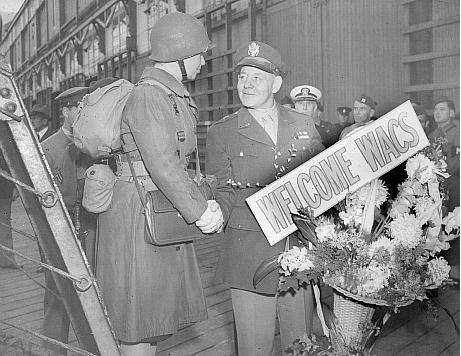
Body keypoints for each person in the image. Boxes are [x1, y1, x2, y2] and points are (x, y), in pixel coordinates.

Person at [95, 12, 223, 356]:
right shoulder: (151, 96)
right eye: (200, 54)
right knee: (139, 322)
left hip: (154, 205)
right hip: (141, 213)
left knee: (150, 318)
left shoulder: (165, 94)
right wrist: (199, 211)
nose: (203, 62)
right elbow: (163, 165)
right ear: (181, 56)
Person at [206, 41, 324, 355]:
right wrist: (214, 211)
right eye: (242, 76)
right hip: (250, 255)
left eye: (257, 77)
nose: (247, 83)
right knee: (254, 347)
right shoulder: (223, 132)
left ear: (276, 83)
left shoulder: (303, 124)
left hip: (299, 252)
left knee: (300, 344)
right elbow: (222, 190)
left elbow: (321, 181)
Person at [40, 85, 90, 354]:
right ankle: (53, 350)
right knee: (58, 294)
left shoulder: (96, 144)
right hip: (59, 228)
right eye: (79, 107)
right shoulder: (47, 149)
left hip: (92, 228)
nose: (85, 112)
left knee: (94, 294)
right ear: (65, 111)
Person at [428, 96, 459, 280]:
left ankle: (455, 271)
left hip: (454, 186)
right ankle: (439, 271)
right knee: (437, 229)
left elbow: (457, 162)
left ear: (452, 113)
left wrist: (440, 168)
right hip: (436, 188)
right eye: (436, 109)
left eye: (442, 109)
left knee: (453, 227)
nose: (437, 112)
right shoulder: (432, 135)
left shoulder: (458, 133)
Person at [0, 150, 20, 269]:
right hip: (4, 190)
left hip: (4, 192)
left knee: (5, 224)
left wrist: (15, 187)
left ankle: (7, 260)